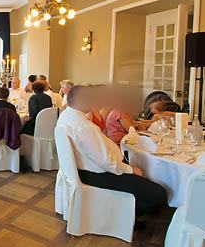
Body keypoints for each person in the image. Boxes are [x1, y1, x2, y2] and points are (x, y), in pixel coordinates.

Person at [56, 85, 167, 218]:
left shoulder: (65, 116)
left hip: (80, 169)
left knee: (143, 182)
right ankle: (122, 217)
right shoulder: (84, 127)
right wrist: (130, 170)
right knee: (159, 193)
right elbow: (106, 162)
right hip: (97, 174)